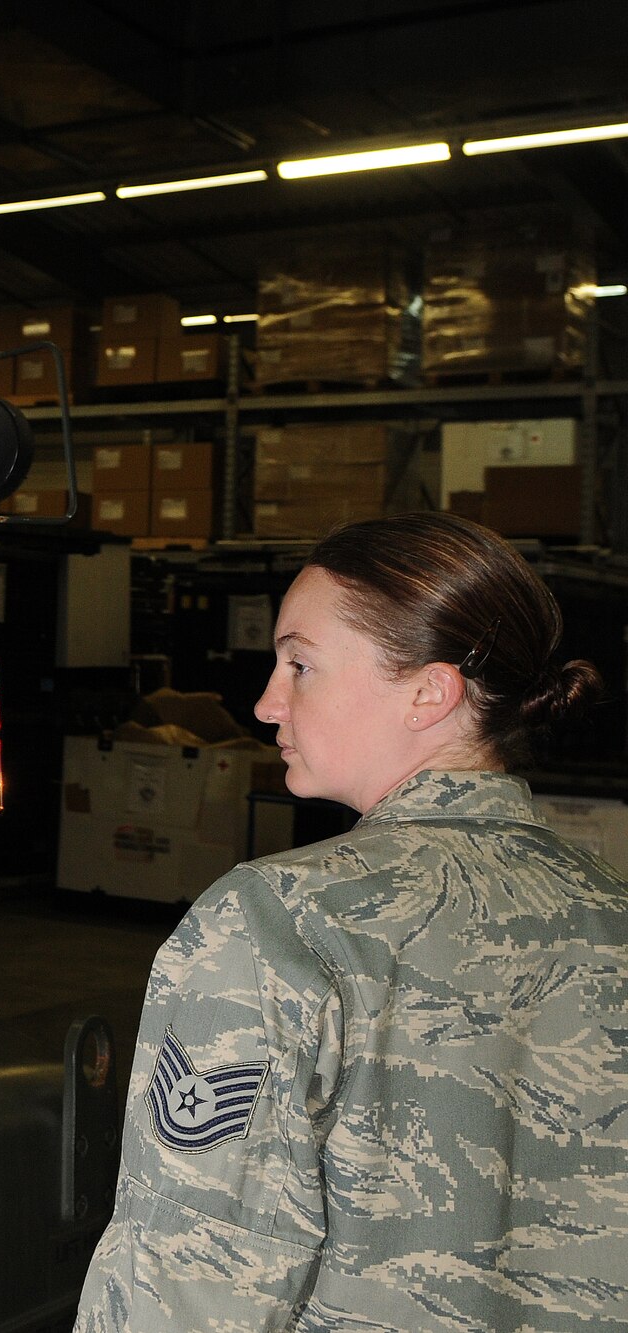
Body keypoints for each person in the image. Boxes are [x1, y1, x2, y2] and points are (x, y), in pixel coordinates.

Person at [77, 511, 626, 1331]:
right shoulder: (607, 907)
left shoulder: (275, 922)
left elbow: (186, 1286)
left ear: (429, 691)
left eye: (300, 664)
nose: (267, 702)